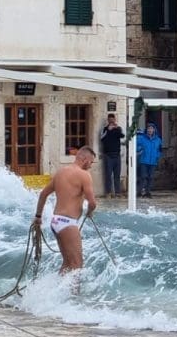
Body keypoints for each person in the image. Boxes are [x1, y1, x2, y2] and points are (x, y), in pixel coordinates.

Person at [32, 146, 98, 291]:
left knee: (67, 263)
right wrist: (90, 211)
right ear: (84, 159)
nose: (91, 166)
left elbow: (43, 194)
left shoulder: (61, 172)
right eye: (91, 162)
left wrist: (38, 216)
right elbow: (92, 202)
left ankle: (56, 293)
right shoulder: (84, 175)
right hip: (68, 223)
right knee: (77, 265)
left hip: (56, 221)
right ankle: (73, 299)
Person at [99, 113, 124, 198]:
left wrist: (117, 128)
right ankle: (108, 192)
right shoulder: (105, 129)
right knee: (108, 175)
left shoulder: (118, 128)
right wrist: (108, 130)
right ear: (108, 120)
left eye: (113, 120)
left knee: (117, 175)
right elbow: (101, 139)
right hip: (108, 155)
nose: (111, 121)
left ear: (115, 120)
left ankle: (117, 192)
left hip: (117, 154)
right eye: (110, 120)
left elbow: (122, 136)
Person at [135, 123, 162, 198]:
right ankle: (139, 191)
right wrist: (139, 150)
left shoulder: (158, 140)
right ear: (146, 130)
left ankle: (148, 192)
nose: (150, 130)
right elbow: (136, 146)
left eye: (151, 128)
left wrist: (157, 156)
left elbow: (159, 150)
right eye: (148, 128)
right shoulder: (141, 138)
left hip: (153, 161)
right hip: (144, 160)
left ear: (154, 130)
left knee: (151, 177)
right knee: (143, 176)